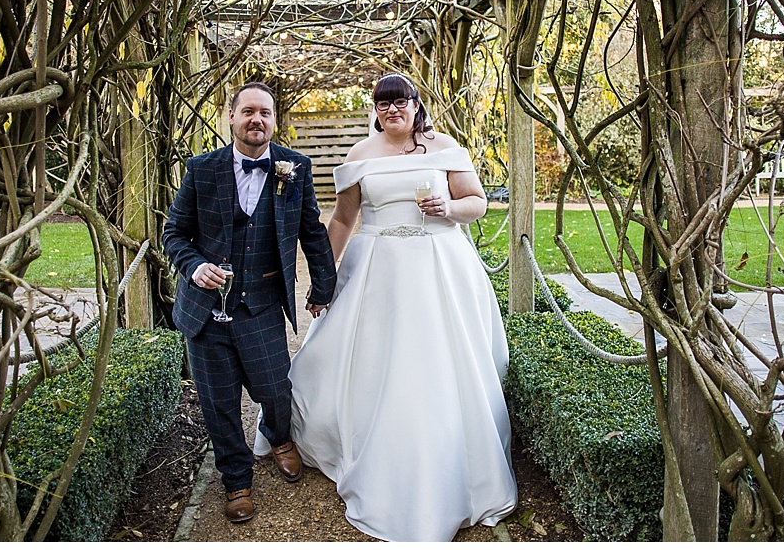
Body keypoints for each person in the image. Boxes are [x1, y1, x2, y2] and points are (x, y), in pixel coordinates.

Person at [269, 73, 517, 541]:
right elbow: (343, 219)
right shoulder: (361, 156)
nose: (391, 111)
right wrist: (323, 278)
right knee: (371, 359)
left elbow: (478, 203)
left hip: (439, 264)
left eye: (399, 102)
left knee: (438, 364)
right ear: (375, 111)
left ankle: (447, 456)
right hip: (377, 270)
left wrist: (448, 207)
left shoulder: (444, 146)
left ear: (415, 104)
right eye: (382, 104)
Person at [161, 81, 338, 524]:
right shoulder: (201, 169)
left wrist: (323, 287)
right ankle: (236, 480)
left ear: (274, 121)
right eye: (248, 112)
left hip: (260, 304)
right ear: (232, 117)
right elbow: (173, 234)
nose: (256, 119)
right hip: (205, 311)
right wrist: (194, 266)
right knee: (218, 402)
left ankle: (280, 439)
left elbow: (312, 232)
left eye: (265, 113)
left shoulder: (294, 167)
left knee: (275, 389)